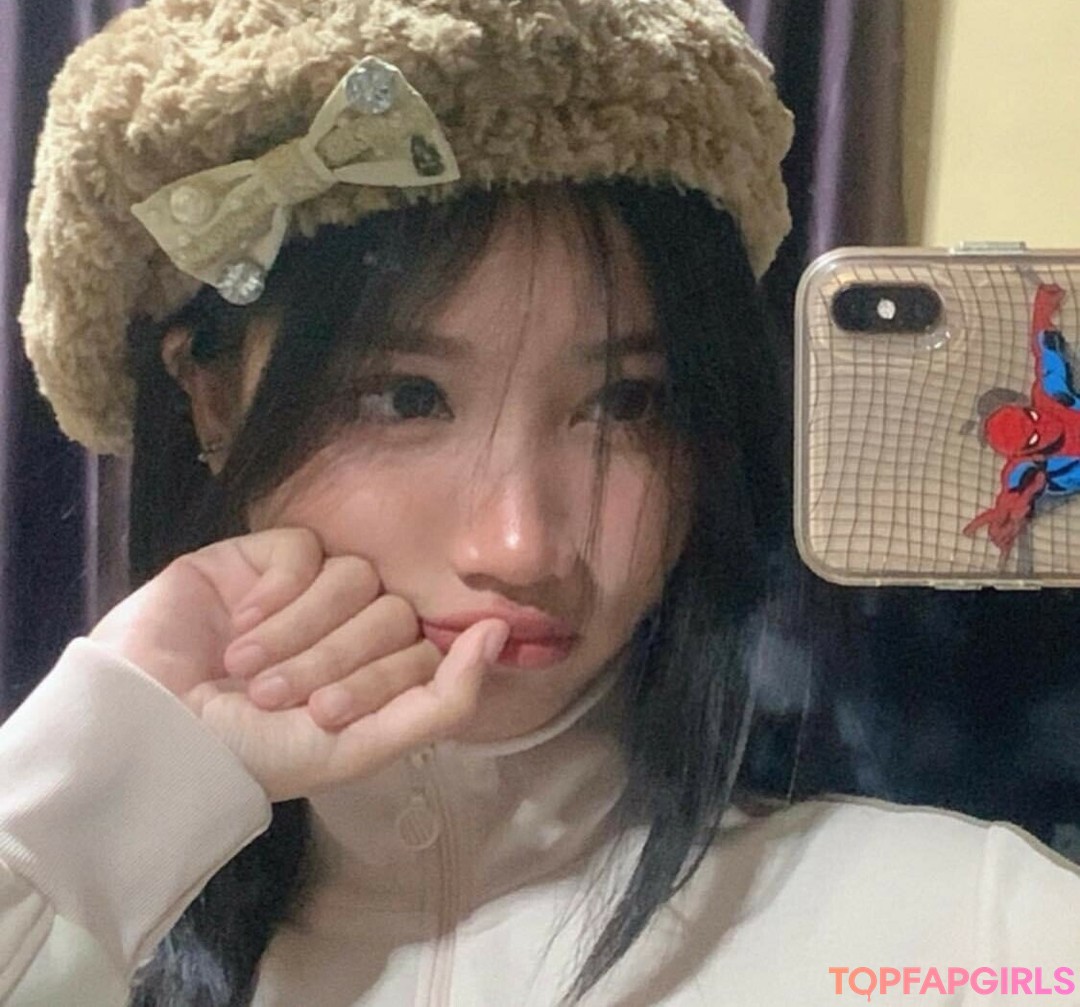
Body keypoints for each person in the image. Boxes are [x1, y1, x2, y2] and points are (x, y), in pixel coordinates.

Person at [2, 1, 1079, 1005]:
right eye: (407, 398)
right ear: (211, 397)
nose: (522, 546)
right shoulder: (68, 932)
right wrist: (102, 784)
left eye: (625, 402)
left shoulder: (979, 936)